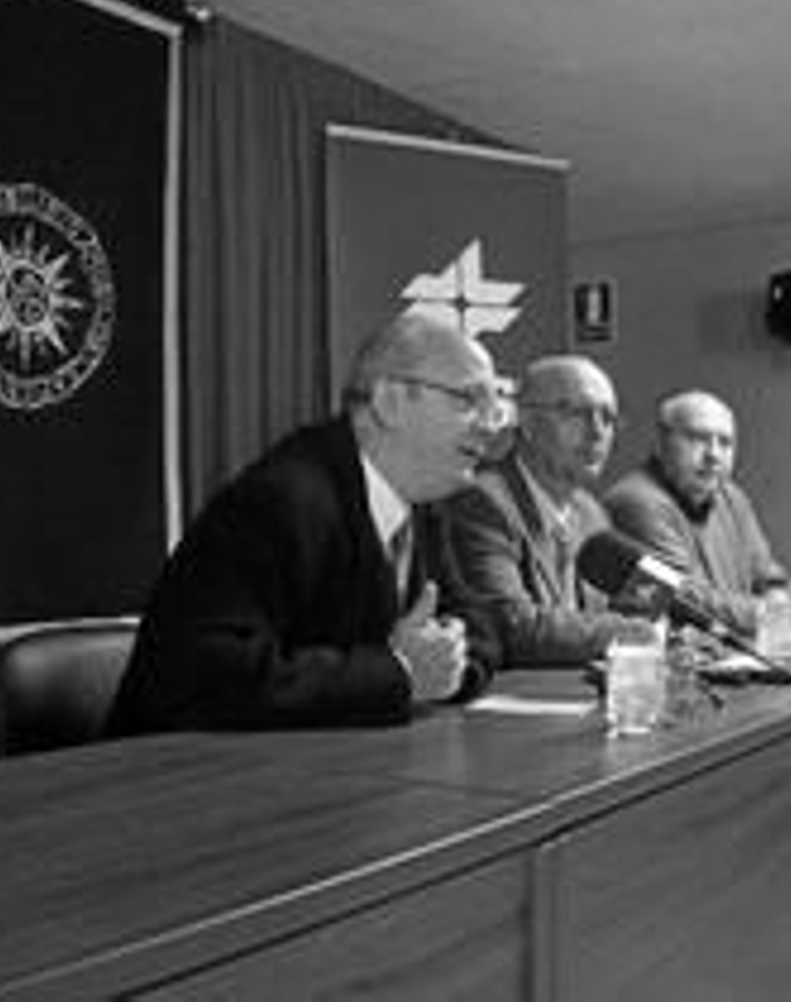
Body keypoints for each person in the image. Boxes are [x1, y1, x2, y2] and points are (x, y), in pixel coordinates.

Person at [106, 312, 506, 734]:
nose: (491, 426)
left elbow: (479, 626)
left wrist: (446, 664)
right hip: (174, 776)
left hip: (327, 767)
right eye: (467, 401)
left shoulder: (423, 501)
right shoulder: (281, 500)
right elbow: (201, 675)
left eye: (494, 406)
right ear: (390, 403)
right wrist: (401, 672)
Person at [425, 355, 642, 689]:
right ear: (525, 421)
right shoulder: (482, 501)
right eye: (575, 413)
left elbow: (634, 603)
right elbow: (514, 629)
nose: (598, 432)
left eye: (608, 417)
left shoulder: (590, 512)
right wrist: (638, 632)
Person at [603, 389, 788, 636]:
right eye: (697, 438)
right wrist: (777, 615)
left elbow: (769, 579)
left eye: (725, 443)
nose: (713, 454)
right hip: (661, 661)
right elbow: (685, 603)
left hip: (725, 655)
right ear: (660, 445)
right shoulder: (636, 501)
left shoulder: (732, 496)